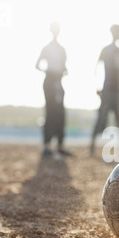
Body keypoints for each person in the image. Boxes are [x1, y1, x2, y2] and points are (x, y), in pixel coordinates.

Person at [36, 22, 72, 157]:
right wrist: (49, 71)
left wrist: (63, 71)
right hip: (50, 81)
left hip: (58, 81)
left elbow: (65, 66)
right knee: (50, 112)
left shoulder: (61, 49)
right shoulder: (47, 48)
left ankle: (60, 145)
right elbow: (37, 64)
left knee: (60, 113)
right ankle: (47, 145)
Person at [90, 24, 119, 156]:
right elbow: (97, 69)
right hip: (107, 91)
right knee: (101, 119)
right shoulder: (106, 50)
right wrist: (98, 87)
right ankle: (91, 148)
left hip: (118, 92)